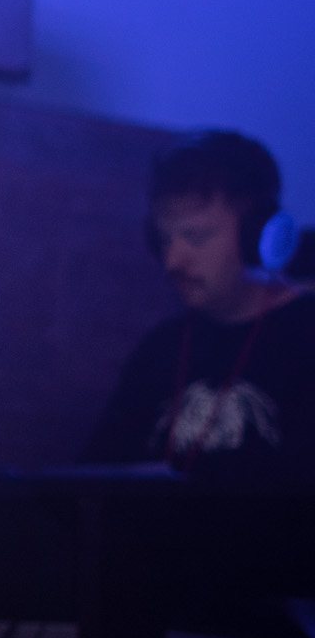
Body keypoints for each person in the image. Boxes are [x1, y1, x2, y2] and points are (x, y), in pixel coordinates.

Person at [85, 131, 314, 482]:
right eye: (164, 240)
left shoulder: (305, 336)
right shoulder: (160, 349)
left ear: (258, 237)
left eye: (196, 237)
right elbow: (93, 478)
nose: (173, 260)